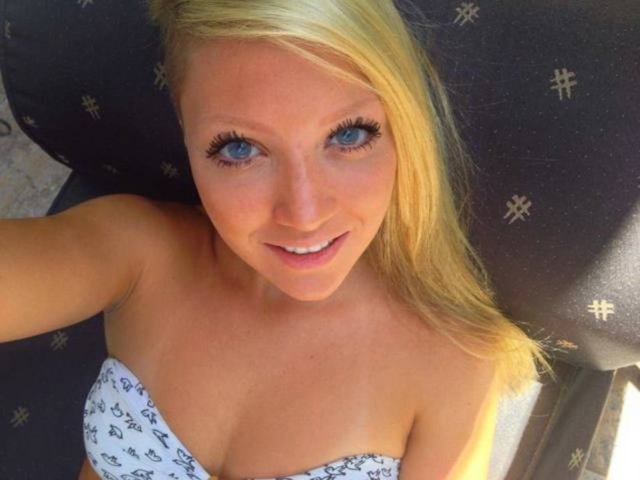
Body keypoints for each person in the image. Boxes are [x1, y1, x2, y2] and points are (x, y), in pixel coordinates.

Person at [0, 1, 553, 479]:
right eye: (239, 148)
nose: (304, 214)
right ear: (186, 135)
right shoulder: (139, 254)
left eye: (349, 134)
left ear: (403, 126)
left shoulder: (455, 364)